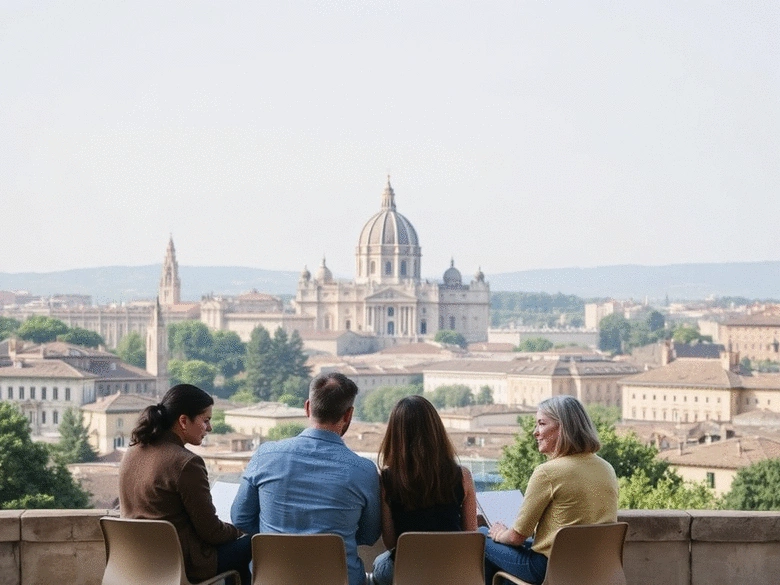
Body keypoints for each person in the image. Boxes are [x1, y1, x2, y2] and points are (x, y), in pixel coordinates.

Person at [231, 373, 381, 585]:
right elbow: (369, 535)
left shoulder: (265, 456)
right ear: (348, 415)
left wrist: (279, 537)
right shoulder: (364, 471)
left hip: (273, 578)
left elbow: (241, 518)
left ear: (308, 407)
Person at [119, 384, 251, 585]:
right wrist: (238, 530)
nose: (209, 428)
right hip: (184, 564)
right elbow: (212, 533)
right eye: (205, 420)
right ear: (183, 420)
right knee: (254, 544)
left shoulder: (133, 452)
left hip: (137, 564)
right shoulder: (186, 463)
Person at [482, 395, 618, 585]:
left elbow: (516, 537)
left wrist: (498, 533)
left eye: (541, 424)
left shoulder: (548, 473)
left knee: (481, 535)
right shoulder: (606, 468)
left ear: (563, 428)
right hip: (595, 568)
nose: (535, 432)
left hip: (548, 570)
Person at [372, 395, 478, 585]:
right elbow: (470, 535)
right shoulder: (463, 476)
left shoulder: (387, 481)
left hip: (407, 572)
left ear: (395, 435)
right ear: (436, 431)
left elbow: (390, 542)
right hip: (450, 572)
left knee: (379, 565)